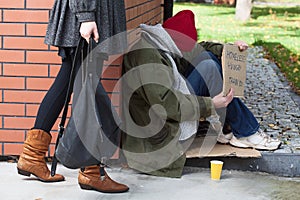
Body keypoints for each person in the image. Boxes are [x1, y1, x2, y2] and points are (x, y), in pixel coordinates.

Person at [121, 10, 281, 178]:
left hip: (167, 110)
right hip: (159, 134)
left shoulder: (162, 40)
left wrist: (231, 49)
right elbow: (166, 106)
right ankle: (247, 132)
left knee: (208, 57)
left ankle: (230, 129)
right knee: (210, 68)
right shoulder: (148, 58)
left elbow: (200, 49)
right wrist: (212, 104)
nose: (189, 49)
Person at [17, 0, 129, 193]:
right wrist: (85, 15)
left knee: (69, 81)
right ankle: (91, 171)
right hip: (88, 16)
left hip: (90, 15)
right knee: (87, 89)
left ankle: (32, 156)